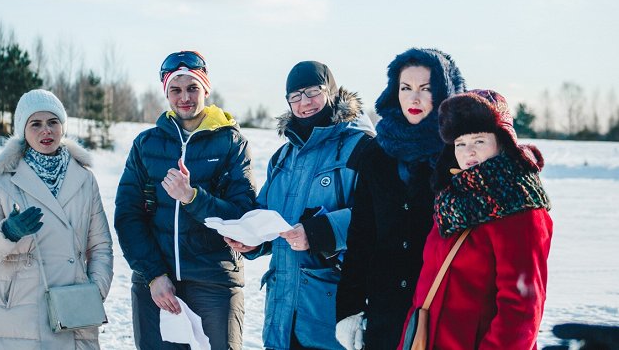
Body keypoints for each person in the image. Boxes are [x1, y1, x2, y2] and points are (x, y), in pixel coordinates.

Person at [225, 61, 375, 350]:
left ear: (330, 92)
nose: (304, 103)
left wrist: (319, 232)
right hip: (283, 314)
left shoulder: (361, 147)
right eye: (295, 97)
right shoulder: (283, 157)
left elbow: (377, 218)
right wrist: (252, 241)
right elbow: (267, 217)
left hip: (331, 313)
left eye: (312, 93)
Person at [114, 50, 256, 350]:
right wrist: (153, 275)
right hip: (156, 284)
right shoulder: (146, 144)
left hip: (214, 281)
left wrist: (192, 197)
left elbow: (243, 216)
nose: (185, 98)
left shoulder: (231, 143)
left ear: (206, 88)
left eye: (192, 87)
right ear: (166, 93)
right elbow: (128, 215)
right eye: (175, 90)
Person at [399, 89, 553, 349]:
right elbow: (424, 292)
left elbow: (522, 307)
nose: (468, 152)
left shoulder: (520, 207)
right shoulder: (452, 200)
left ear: (502, 143)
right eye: (460, 143)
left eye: (479, 141)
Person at [336, 48, 466, 350]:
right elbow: (361, 237)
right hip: (384, 314)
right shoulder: (377, 153)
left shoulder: (461, 153)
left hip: (445, 313)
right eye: (405, 88)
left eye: (426, 89)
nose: (414, 99)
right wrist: (349, 309)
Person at [0, 89, 113, 349]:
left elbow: (100, 246)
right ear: (23, 130)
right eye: (35, 123)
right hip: (15, 311)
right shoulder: (1, 179)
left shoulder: (84, 178)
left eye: (53, 122)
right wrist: (7, 232)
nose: (45, 131)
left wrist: (94, 293)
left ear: (62, 127)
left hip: (73, 308)